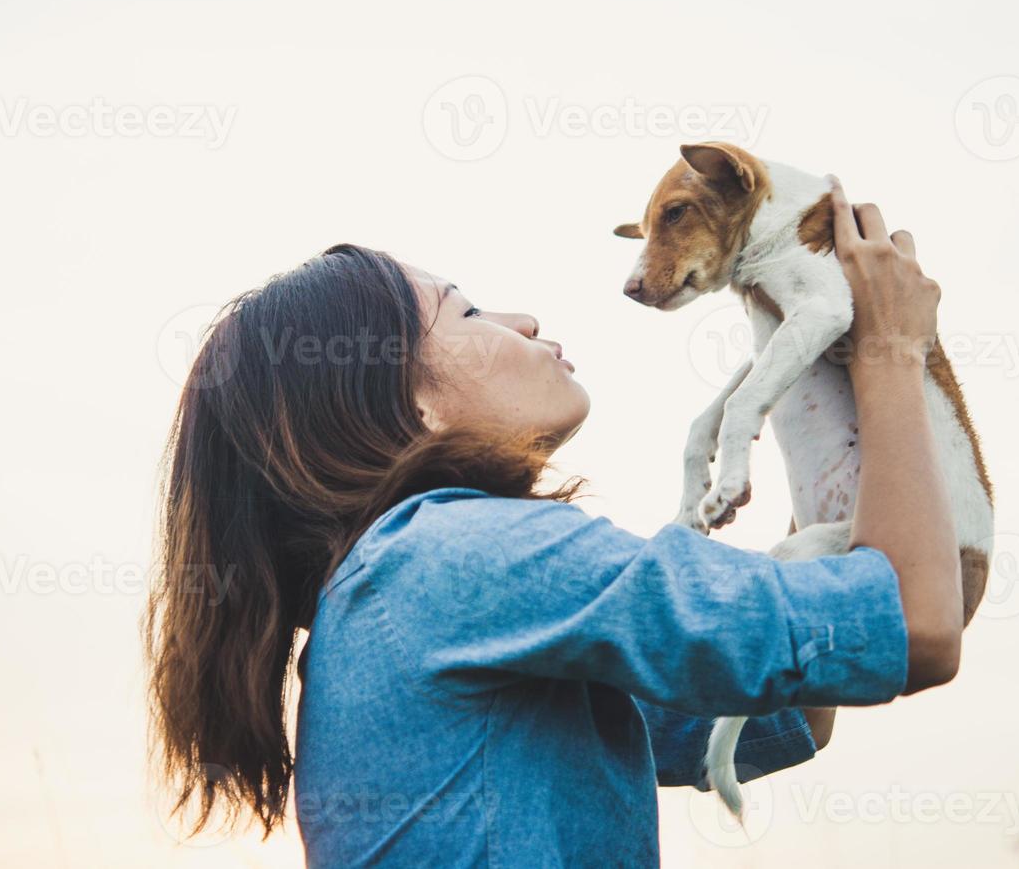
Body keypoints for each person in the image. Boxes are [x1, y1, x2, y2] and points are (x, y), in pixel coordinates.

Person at [145, 181, 964, 866]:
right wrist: (889, 351)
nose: (526, 321)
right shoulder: (449, 555)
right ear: (411, 403)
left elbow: (801, 695)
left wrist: (817, 383)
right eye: (466, 315)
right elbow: (911, 622)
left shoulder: (390, 603)